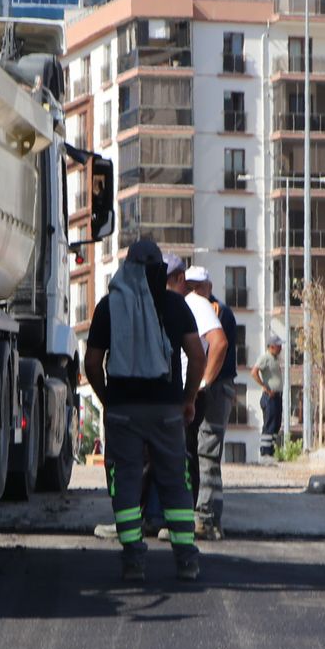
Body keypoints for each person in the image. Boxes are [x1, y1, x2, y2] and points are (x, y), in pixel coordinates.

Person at [83, 240, 206, 583]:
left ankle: (134, 562)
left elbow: (92, 362)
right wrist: (188, 399)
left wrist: (107, 399)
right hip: (167, 410)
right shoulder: (174, 305)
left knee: (125, 483)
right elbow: (197, 356)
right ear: (160, 272)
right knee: (175, 482)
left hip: (123, 411)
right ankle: (186, 561)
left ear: (127, 268)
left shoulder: (109, 306)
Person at [166, 256, 229, 507]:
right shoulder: (176, 304)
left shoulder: (196, 304)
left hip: (189, 393)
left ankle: (188, 511)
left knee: (187, 454)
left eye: (167, 281)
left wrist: (203, 383)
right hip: (177, 392)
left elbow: (219, 343)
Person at [186, 265, 240, 538]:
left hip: (216, 388)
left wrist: (203, 383)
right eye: (190, 286)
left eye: (198, 285)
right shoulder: (207, 309)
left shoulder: (218, 311)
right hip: (215, 387)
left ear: (209, 286)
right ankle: (211, 519)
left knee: (206, 451)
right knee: (207, 452)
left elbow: (218, 346)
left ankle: (205, 519)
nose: (194, 290)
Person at [253, 334, 285, 460]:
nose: (280, 348)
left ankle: (270, 451)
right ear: (271, 346)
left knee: (276, 424)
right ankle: (265, 453)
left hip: (277, 396)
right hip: (269, 397)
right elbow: (254, 372)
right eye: (278, 346)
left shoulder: (275, 359)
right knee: (269, 424)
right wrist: (264, 387)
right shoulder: (265, 358)